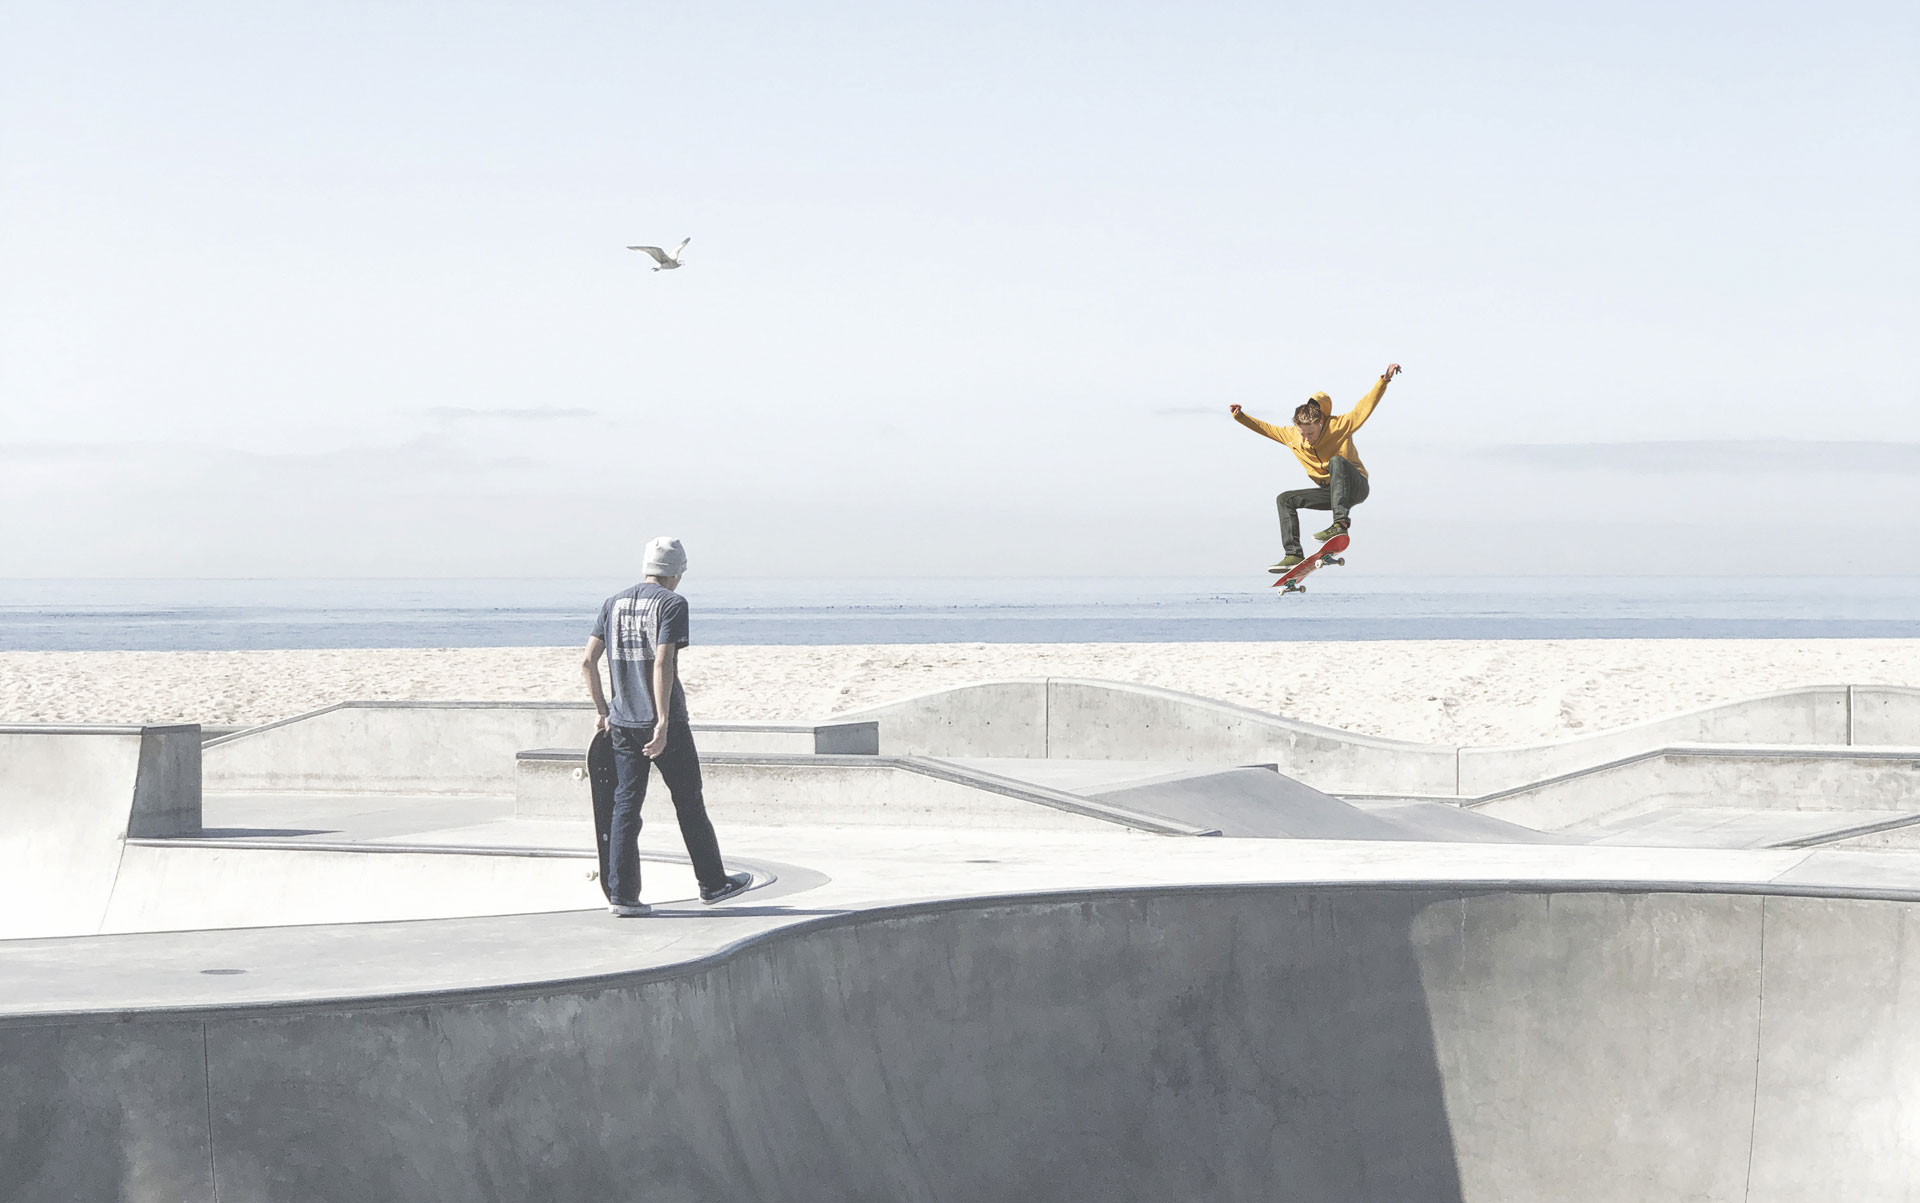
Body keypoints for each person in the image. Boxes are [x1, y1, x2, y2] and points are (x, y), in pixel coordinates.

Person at [582, 536, 751, 917]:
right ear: (677, 571)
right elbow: (663, 663)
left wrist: (601, 709)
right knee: (689, 802)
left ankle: (623, 896)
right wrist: (661, 722)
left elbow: (587, 661)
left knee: (626, 805)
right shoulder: (673, 604)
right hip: (665, 722)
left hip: (622, 721)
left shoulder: (613, 603)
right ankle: (713, 883)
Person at [1230, 363, 1402, 572]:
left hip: (1355, 486)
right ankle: (1293, 554)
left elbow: (1364, 407)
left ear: (1321, 423)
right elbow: (1266, 429)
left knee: (1336, 461)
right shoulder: (1292, 435)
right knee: (1285, 499)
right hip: (1330, 493)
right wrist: (1241, 417)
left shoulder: (1339, 426)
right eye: (1303, 434)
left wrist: (1383, 381)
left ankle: (1340, 525)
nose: (1307, 439)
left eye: (1311, 434)